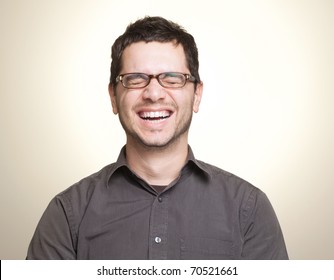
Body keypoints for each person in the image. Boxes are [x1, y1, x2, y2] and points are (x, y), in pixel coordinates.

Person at [26, 16, 288, 260]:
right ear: (113, 97)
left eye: (172, 78)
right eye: (135, 79)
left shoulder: (249, 209)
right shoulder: (66, 214)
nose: (153, 93)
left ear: (196, 95)